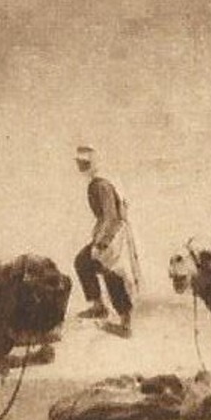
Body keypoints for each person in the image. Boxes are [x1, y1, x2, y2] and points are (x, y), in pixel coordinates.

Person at [73, 144, 139, 337]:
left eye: (84, 163)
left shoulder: (101, 184)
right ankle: (99, 306)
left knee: (109, 271)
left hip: (112, 235)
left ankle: (125, 322)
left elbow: (110, 216)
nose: (81, 167)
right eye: (79, 163)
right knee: (86, 263)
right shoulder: (97, 182)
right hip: (110, 232)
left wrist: (101, 243)